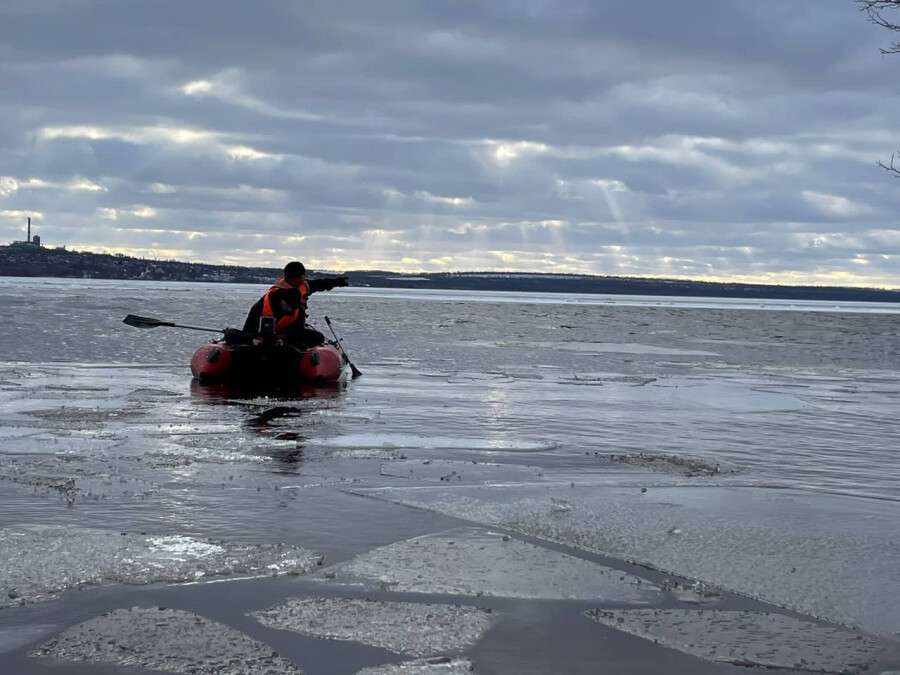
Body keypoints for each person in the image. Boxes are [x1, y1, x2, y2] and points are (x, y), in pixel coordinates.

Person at [243, 261, 348, 346]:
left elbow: (319, 283)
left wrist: (337, 282)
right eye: (303, 276)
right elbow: (248, 328)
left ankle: (285, 342)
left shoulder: (303, 286)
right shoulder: (267, 301)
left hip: (289, 334)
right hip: (265, 335)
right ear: (297, 277)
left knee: (317, 337)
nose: (290, 308)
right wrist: (253, 338)